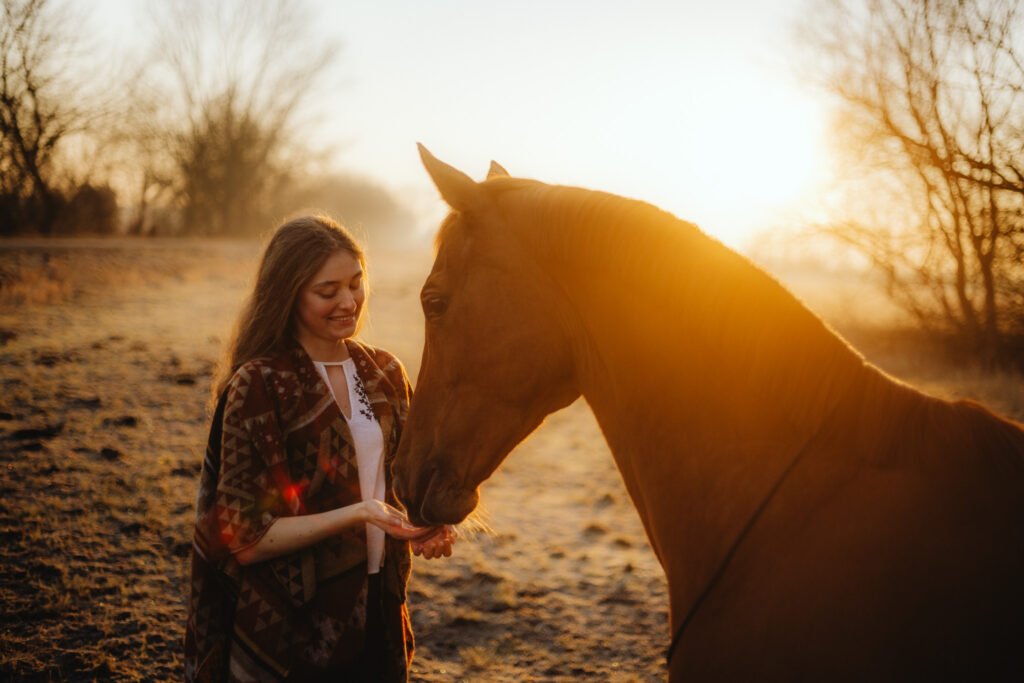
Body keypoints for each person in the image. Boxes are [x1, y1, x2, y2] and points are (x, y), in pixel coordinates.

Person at [184, 215, 455, 682]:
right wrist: (359, 513)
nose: (348, 302)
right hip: (288, 622)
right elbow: (246, 539)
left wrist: (428, 527)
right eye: (327, 292)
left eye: (355, 283)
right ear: (289, 294)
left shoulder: (385, 374)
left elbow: (401, 485)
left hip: (380, 606)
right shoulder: (261, 384)